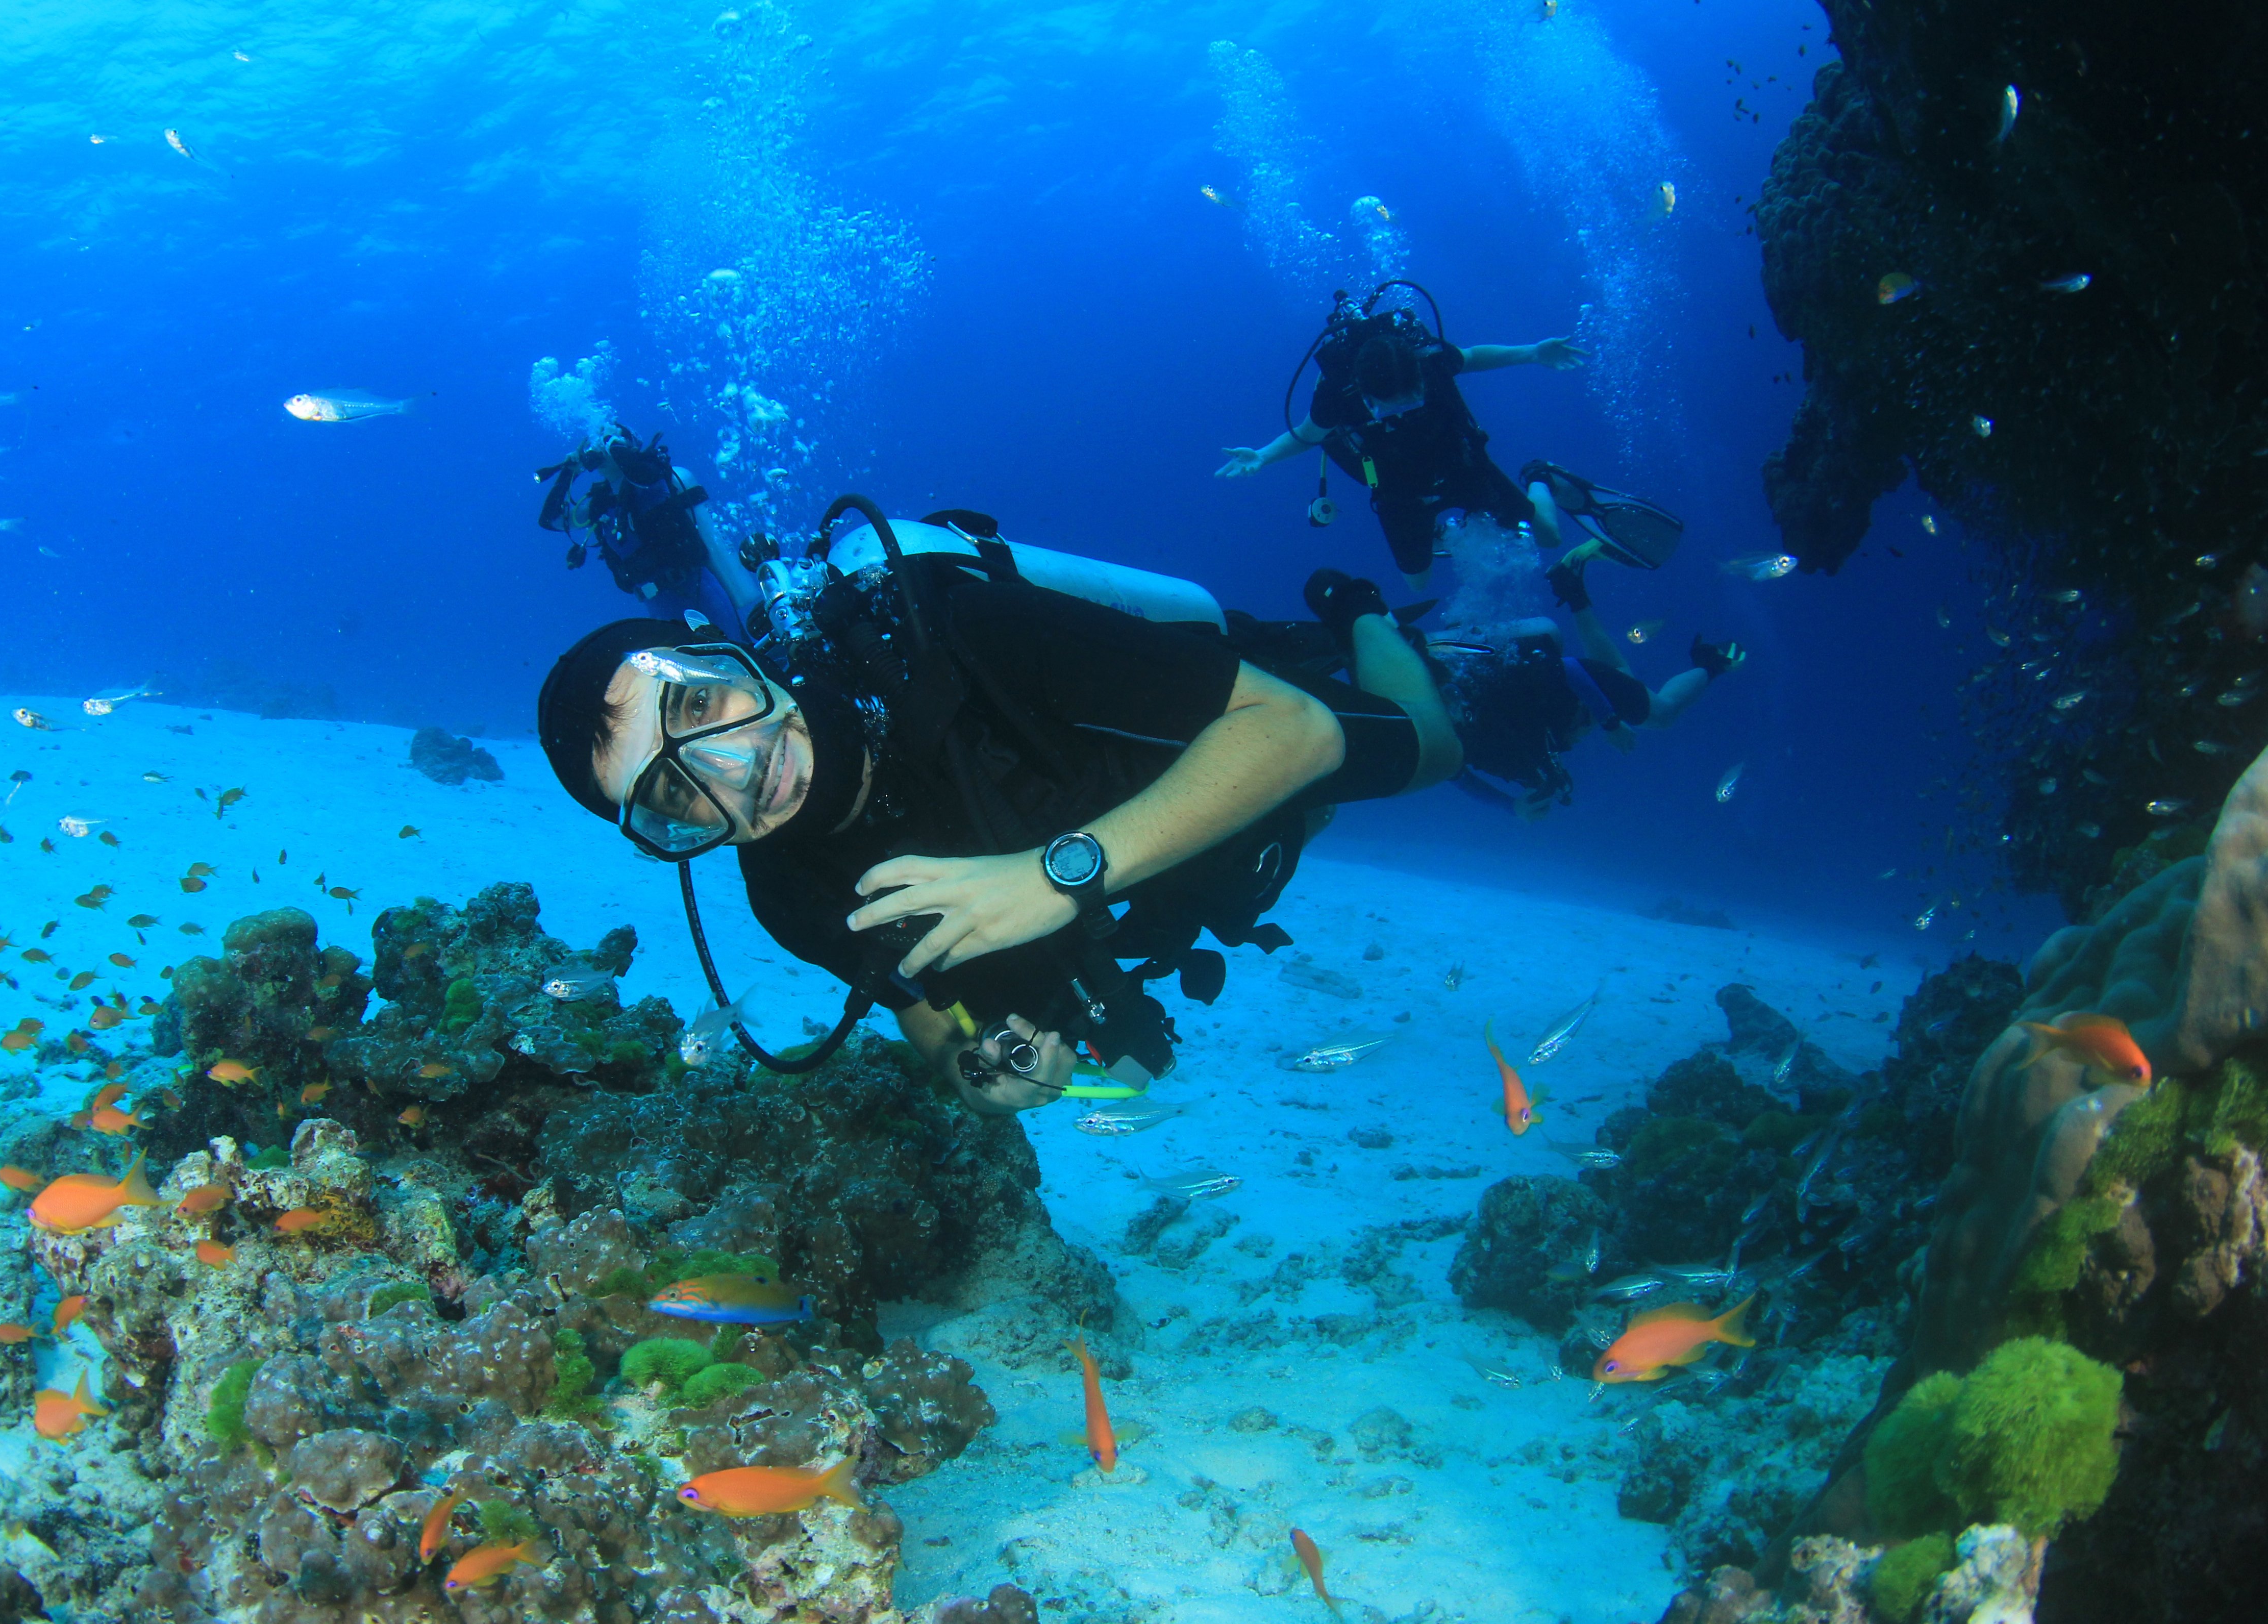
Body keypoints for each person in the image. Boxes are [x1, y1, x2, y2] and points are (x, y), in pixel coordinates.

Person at [535, 505, 1460, 1117]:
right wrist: (984, 1079)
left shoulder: (961, 638)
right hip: (1191, 857)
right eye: (668, 795)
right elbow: (928, 1019)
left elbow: (1294, 732)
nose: (735, 775)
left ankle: (1358, 613)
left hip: (1206, 724)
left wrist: (1056, 875)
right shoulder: (789, 893)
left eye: (699, 705)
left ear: (729, 655)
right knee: (1293, 824)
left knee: (1429, 747)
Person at [1215, 291, 1601, 587]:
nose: (1401, 412)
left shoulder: (1431, 359)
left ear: (1420, 376)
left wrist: (1533, 352)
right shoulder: (1339, 394)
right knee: (1417, 582)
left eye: (1411, 400)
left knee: (1548, 537)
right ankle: (1438, 530)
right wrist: (1262, 456)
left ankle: (1539, 476)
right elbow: (1307, 435)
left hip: (1458, 460)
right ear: (1365, 395)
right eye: (1388, 407)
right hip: (1396, 485)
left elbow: (1473, 357)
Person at [1433, 549, 1744, 818]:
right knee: (1619, 674)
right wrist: (1512, 807)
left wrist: (1609, 722)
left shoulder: (1480, 706)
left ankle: (1711, 662)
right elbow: (1458, 777)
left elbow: (1568, 668)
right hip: (1550, 673)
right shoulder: (1450, 733)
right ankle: (1572, 589)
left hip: (1564, 670)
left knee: (1661, 714)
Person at [537, 423, 763, 637]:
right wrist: (570, 471)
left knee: (733, 660)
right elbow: (552, 520)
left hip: (698, 593)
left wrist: (613, 442)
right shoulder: (600, 503)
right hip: (657, 606)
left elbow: (641, 475)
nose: (600, 452)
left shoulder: (656, 476)